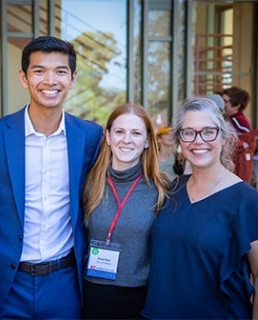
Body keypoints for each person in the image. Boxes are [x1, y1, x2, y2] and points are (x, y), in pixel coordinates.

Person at [0, 36, 103, 319]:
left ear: (73, 78)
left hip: (65, 282)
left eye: (60, 71)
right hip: (7, 282)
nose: (50, 80)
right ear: (24, 77)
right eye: (39, 71)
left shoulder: (91, 137)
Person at [141, 97, 258, 319]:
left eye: (208, 131)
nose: (198, 140)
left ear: (224, 137)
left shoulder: (246, 201)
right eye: (188, 132)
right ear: (180, 140)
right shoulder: (173, 190)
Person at [82, 103, 168, 319]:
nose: (127, 140)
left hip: (139, 300)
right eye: (119, 132)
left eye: (136, 133)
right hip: (91, 295)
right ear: (108, 137)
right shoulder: (88, 183)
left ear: (148, 141)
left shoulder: (162, 190)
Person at [222, 86, 258, 183]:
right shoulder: (232, 118)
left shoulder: (238, 121)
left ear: (237, 105)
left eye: (226, 102)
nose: (223, 104)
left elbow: (246, 141)